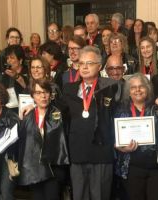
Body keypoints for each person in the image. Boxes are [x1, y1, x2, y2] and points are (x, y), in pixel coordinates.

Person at [61, 46, 122, 200]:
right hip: (77, 153)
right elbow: (58, 114)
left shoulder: (111, 87)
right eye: (81, 63)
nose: (85, 67)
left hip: (101, 153)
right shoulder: (68, 89)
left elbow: (122, 114)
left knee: (100, 196)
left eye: (89, 63)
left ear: (100, 66)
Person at [114, 73, 158, 200]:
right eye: (133, 87)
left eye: (141, 86)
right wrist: (121, 148)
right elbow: (113, 140)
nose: (137, 90)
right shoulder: (120, 110)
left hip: (157, 168)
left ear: (148, 89)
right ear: (128, 92)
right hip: (131, 168)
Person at [19, 80, 69, 200]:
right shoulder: (28, 117)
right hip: (34, 169)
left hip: (53, 168)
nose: (43, 96)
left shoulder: (60, 112)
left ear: (50, 94)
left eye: (46, 92)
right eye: (38, 93)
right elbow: (21, 142)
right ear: (32, 96)